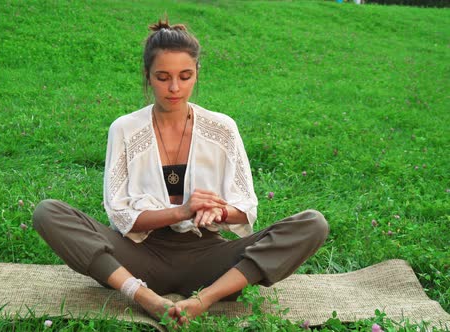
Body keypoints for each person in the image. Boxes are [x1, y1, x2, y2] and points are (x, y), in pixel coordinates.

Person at [33, 18, 329, 325]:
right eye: (163, 77)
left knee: (312, 224)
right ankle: (145, 297)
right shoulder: (124, 129)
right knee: (48, 212)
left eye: (185, 76)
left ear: (197, 73)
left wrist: (218, 212)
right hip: (139, 256)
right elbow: (120, 215)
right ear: (147, 76)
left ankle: (204, 299)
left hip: (209, 259)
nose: (174, 88)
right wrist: (182, 211)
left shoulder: (223, 128)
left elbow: (246, 208)